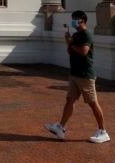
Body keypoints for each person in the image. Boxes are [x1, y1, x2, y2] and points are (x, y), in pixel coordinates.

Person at [44, 10, 110, 144]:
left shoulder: (86, 35)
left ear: (82, 21)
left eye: (75, 19)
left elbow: (84, 52)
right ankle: (60, 127)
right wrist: (68, 42)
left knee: (92, 102)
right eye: (72, 19)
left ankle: (103, 131)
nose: (73, 21)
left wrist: (71, 43)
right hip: (75, 73)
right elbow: (70, 52)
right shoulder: (76, 34)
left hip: (85, 75)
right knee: (70, 100)